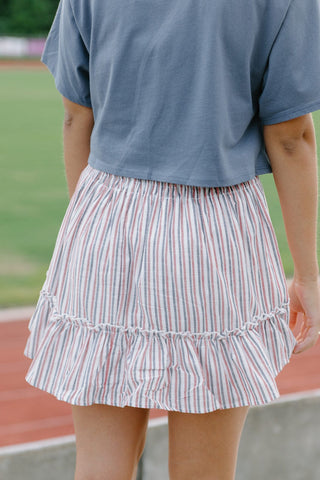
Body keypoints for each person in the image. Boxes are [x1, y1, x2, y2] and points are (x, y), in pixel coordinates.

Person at [24, 0, 320, 479]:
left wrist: (93, 234)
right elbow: (290, 137)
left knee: (99, 468)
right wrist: (308, 275)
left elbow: (77, 117)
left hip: (106, 212)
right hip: (213, 227)